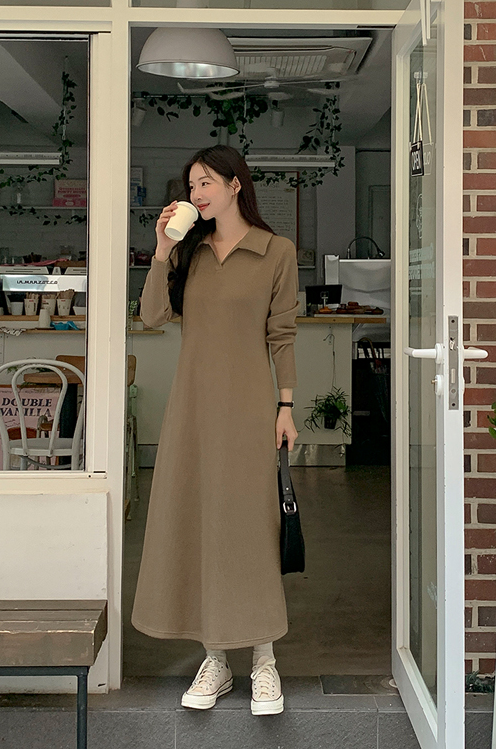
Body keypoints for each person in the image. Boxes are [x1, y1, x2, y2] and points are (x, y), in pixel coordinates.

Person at [132, 144, 299, 716]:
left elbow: (283, 335)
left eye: (206, 182)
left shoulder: (276, 251)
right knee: (203, 525)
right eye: (191, 185)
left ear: (234, 185)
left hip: (250, 408)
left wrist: (286, 406)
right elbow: (152, 316)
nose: (196, 193)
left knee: (251, 529)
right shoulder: (190, 253)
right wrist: (162, 250)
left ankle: (264, 660)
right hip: (194, 411)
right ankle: (216, 659)